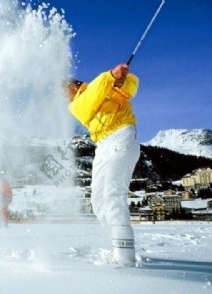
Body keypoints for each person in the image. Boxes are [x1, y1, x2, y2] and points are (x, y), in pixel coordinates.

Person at [65, 63, 141, 267]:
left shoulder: (100, 86)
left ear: (72, 87)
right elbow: (87, 104)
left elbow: (131, 87)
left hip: (121, 135)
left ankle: (125, 258)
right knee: (98, 199)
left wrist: (123, 79)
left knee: (112, 194)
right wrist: (110, 77)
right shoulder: (79, 103)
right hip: (104, 144)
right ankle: (116, 246)